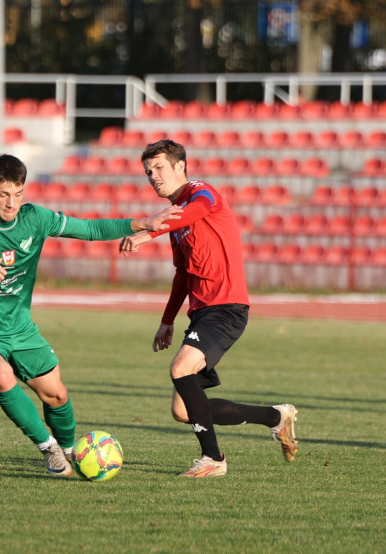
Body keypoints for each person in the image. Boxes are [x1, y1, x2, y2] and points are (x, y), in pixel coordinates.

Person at [0, 154, 182, 476]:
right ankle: (48, 449)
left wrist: (143, 223)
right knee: (0, 374)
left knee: (56, 395)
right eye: (3, 194)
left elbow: (90, 228)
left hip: (19, 330)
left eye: (18, 193)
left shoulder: (35, 219)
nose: (12, 203)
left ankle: (70, 450)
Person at [119, 139, 298, 478]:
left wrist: (149, 232)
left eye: (159, 168)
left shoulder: (202, 193)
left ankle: (213, 459)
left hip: (226, 307)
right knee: (184, 410)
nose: (153, 176)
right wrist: (167, 320)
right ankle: (276, 417)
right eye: (148, 172)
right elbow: (183, 275)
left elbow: (197, 210)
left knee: (180, 368)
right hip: (202, 313)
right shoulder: (176, 224)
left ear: (180, 167)